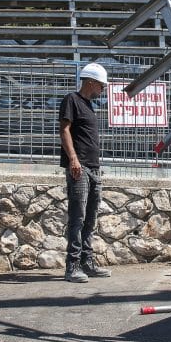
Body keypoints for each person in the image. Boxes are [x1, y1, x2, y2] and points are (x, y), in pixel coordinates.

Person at [58, 62, 112, 283]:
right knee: (78, 217)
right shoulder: (72, 100)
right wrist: (73, 159)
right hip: (79, 167)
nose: (103, 89)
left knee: (90, 218)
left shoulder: (90, 106)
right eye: (101, 85)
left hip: (94, 167)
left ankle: (87, 262)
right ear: (91, 82)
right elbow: (64, 129)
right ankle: (72, 267)